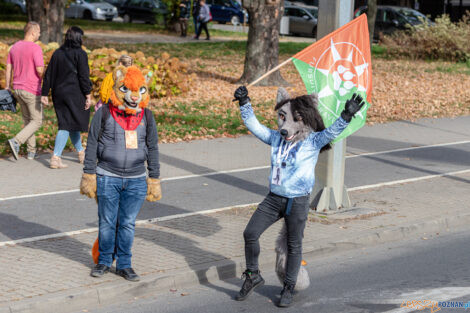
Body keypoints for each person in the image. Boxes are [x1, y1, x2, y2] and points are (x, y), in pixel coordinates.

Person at [80, 65, 162, 282]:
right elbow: (91, 144)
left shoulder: (147, 116)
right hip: (107, 176)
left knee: (126, 223)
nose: (133, 96)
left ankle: (124, 264)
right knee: (107, 221)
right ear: (118, 89)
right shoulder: (103, 113)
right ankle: (104, 261)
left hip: (136, 180)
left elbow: (152, 147)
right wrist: (88, 174)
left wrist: (154, 178)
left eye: (138, 90)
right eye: (127, 90)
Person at [41, 26, 93, 169]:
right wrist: (88, 95)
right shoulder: (80, 54)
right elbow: (83, 77)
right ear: (78, 38)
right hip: (75, 94)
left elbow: (49, 74)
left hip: (59, 94)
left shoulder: (57, 53)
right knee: (66, 125)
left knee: (71, 123)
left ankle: (82, 153)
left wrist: (45, 93)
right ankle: (56, 157)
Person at [6, 22, 44, 160]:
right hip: (31, 89)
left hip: (17, 88)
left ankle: (31, 153)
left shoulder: (14, 47)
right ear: (32, 32)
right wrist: (46, 76)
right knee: (37, 121)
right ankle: (16, 141)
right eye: (39, 31)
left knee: (28, 120)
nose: (40, 34)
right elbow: (40, 70)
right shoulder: (36, 48)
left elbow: (9, 67)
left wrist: (7, 86)